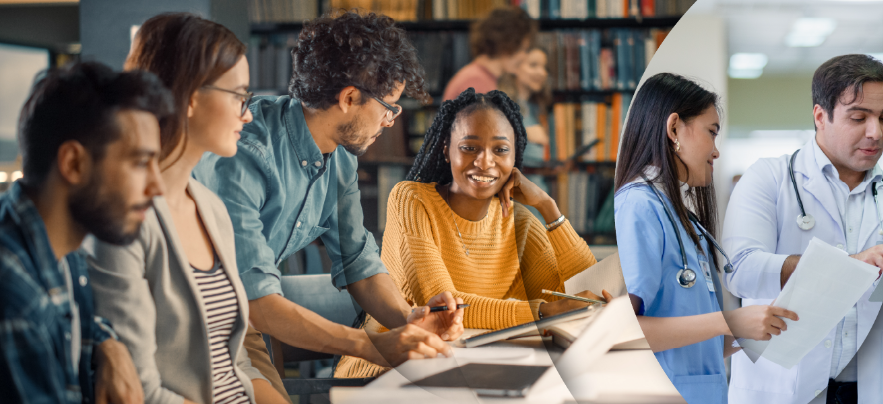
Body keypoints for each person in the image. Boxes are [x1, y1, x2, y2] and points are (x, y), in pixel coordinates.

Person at [192, 11, 464, 394]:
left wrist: (412, 320)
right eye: (389, 106)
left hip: (240, 321)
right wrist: (372, 347)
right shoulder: (246, 152)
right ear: (350, 98)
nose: (390, 121)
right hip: (193, 321)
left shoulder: (340, 161)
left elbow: (359, 264)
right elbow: (257, 301)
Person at [723, 54, 883, 404]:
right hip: (780, 390)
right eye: (859, 117)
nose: (875, 132)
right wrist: (846, 265)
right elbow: (741, 271)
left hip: (867, 392)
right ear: (820, 116)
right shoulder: (768, 180)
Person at [85, 13, 288, 404]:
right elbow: (140, 391)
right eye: (240, 96)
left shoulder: (212, 208)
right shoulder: (123, 220)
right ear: (193, 97)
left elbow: (237, 364)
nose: (248, 114)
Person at [334, 88, 606, 378]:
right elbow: (446, 307)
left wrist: (548, 206)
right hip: (392, 370)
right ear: (446, 150)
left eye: (500, 150)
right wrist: (541, 313)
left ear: (515, 157)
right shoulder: (411, 200)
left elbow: (581, 294)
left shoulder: (521, 222)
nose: (485, 162)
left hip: (477, 367)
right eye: (469, 147)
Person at [614, 73, 799, 404]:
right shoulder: (639, 205)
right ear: (674, 129)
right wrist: (728, 321)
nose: (716, 151)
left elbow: (699, 341)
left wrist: (755, 328)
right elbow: (626, 332)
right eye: (711, 133)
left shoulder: (684, 220)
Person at [1, 61, 169, 404]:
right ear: (74, 164)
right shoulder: (16, 304)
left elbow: (82, 319)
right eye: (140, 162)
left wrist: (109, 344)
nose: (158, 186)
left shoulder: (62, 244)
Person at [497, 45, 553, 222]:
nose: (542, 72)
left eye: (544, 67)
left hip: (536, 185)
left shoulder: (536, 107)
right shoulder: (502, 104)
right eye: (534, 65)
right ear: (515, 67)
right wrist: (525, 133)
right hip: (515, 194)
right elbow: (491, 141)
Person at [442, 6, 536, 101]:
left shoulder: (482, 78)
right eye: (522, 49)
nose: (524, 56)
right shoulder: (475, 82)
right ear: (506, 43)